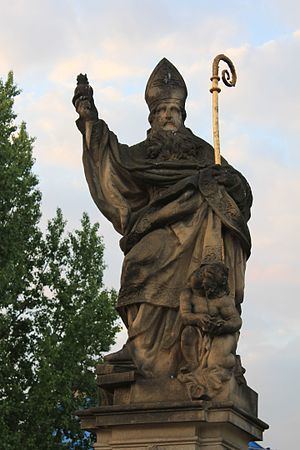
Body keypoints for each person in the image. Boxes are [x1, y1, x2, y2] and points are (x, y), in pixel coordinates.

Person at [73, 58, 252, 380]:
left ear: (182, 115)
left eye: (174, 110)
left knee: (193, 280)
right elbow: (112, 164)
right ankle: (139, 347)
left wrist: (227, 181)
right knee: (137, 266)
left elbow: (241, 192)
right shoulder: (142, 154)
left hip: (198, 230)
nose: (168, 116)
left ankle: (185, 355)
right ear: (152, 115)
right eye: (162, 111)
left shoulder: (202, 152)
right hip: (156, 226)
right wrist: (90, 121)